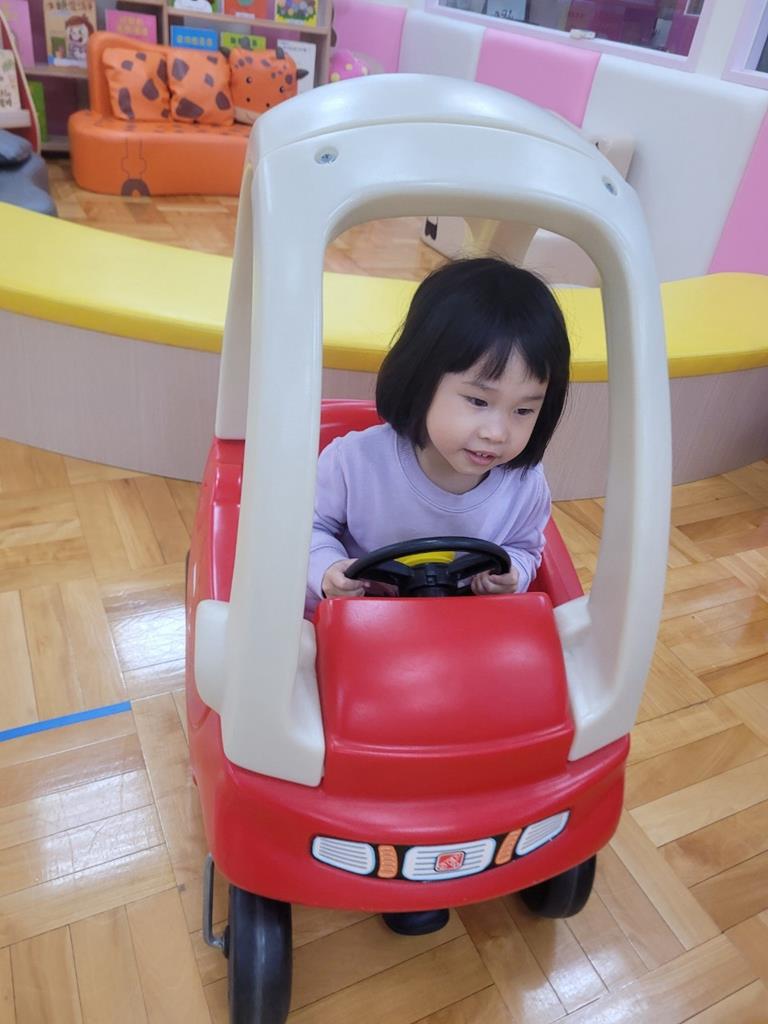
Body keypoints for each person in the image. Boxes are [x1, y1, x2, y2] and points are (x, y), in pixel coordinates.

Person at [306, 256, 571, 615]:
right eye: (478, 401)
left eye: (523, 411)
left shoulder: (524, 486)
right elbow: (307, 529)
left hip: (457, 629)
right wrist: (327, 569)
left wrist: (514, 574)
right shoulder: (352, 463)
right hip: (357, 622)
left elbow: (525, 549)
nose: (497, 433)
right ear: (421, 381)